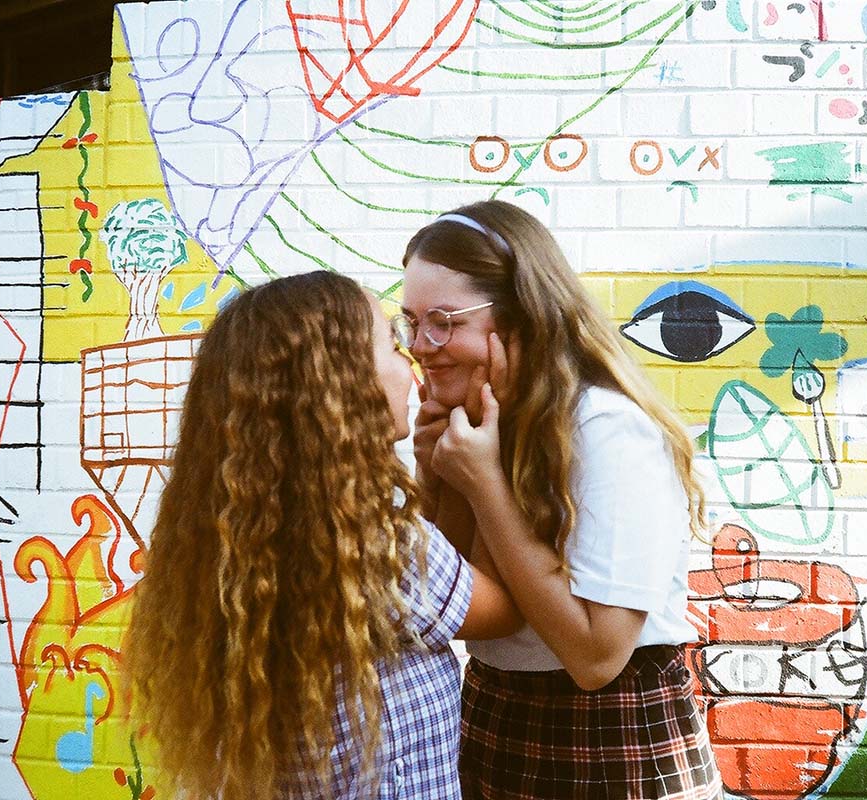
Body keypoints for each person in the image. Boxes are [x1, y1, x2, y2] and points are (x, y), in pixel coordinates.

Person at [122, 271, 518, 800]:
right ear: (344, 384)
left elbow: (438, 586)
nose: (413, 363)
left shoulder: (246, 537)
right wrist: (488, 469)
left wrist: (435, 473)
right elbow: (501, 607)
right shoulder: (383, 545)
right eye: (394, 345)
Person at [397, 201, 724, 799]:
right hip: (499, 711)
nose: (421, 345)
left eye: (444, 321)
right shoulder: (484, 429)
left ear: (521, 318)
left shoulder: (605, 427)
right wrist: (437, 476)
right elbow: (452, 602)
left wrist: (485, 486)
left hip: (608, 732)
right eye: (411, 322)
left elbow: (597, 656)